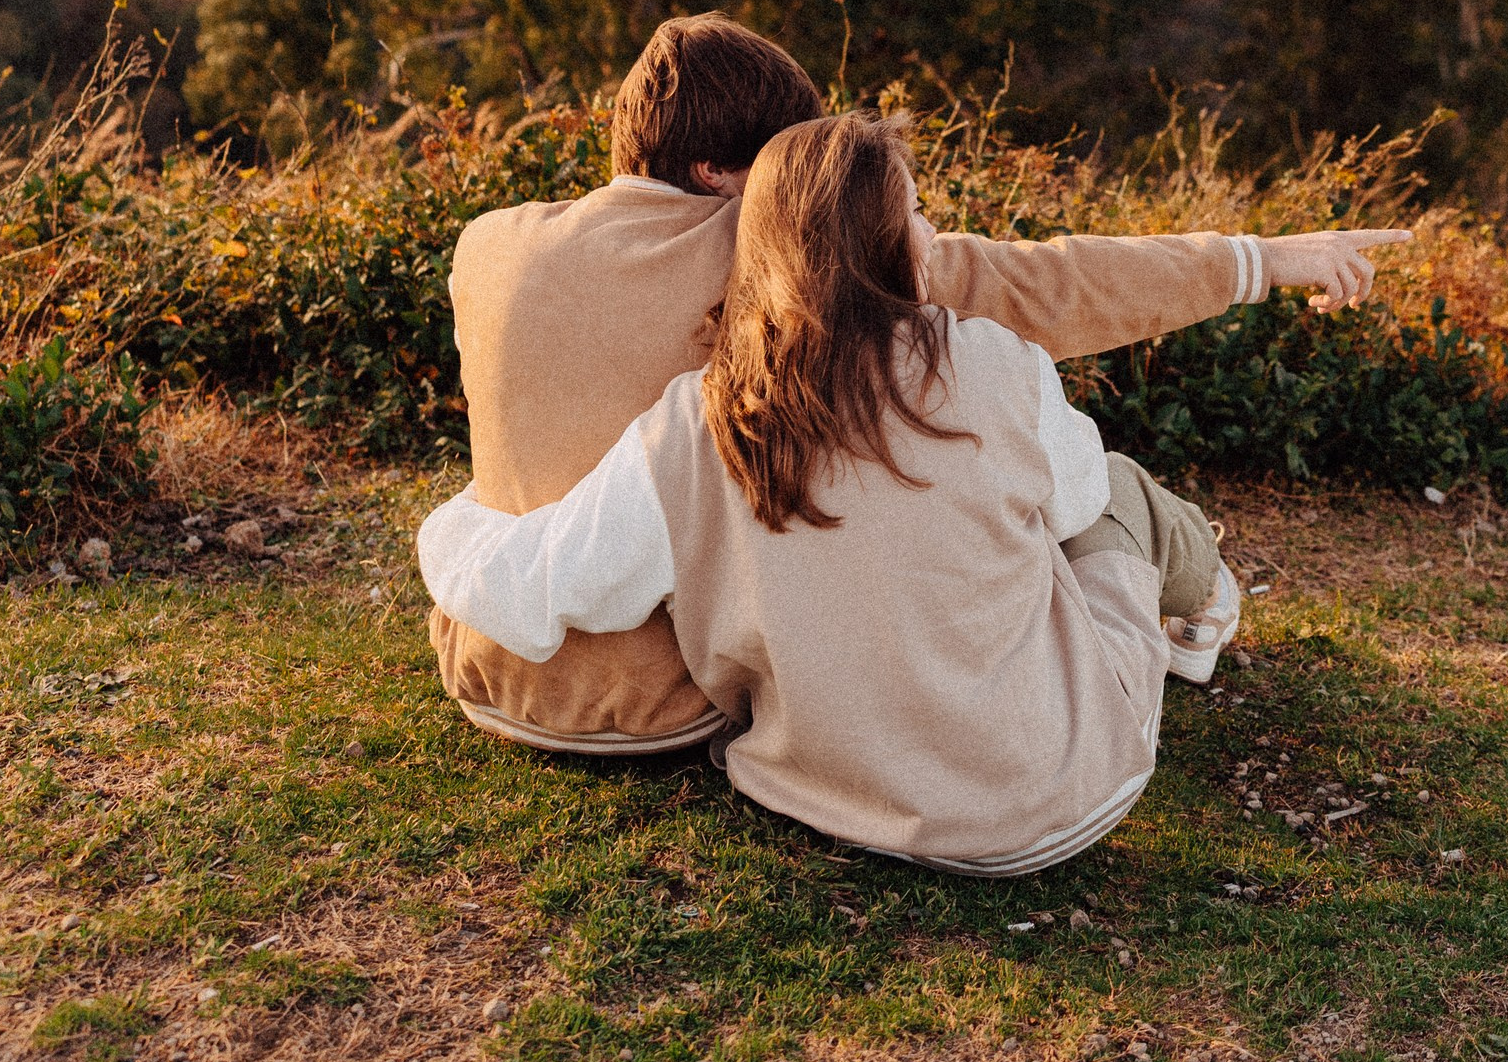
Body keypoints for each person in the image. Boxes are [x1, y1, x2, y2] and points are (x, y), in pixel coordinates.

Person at [420, 114, 1393, 872]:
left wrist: (453, 522)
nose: (932, 231)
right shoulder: (992, 367)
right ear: (889, 243)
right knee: (1119, 497)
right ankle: (1204, 606)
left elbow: (549, 588)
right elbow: (1073, 506)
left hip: (829, 797)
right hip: (1056, 800)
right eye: (917, 212)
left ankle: (1177, 609)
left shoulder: (700, 419)